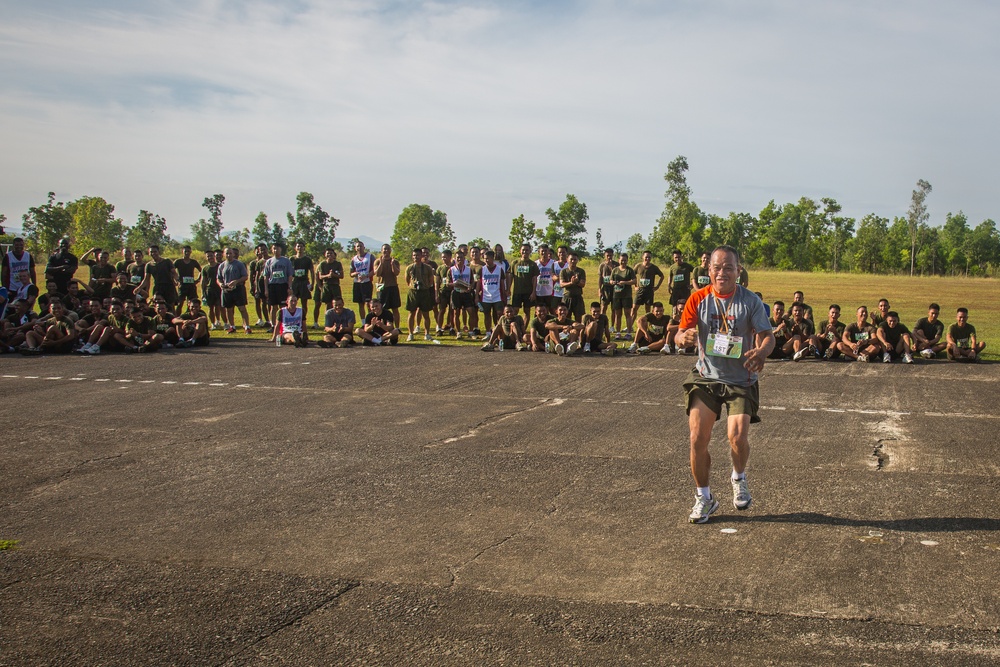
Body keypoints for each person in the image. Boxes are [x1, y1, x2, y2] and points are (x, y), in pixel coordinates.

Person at [675, 245, 774, 524]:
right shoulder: (699, 299)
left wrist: (762, 352)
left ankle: (738, 477)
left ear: (738, 271)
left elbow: (767, 335)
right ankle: (704, 498)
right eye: (717, 268)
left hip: (741, 378)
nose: (722, 273)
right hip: (706, 376)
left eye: (728, 267)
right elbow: (680, 333)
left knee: (737, 436)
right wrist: (681, 339)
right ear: (709, 271)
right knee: (697, 437)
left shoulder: (750, 301)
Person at [217, 247, 253, 334]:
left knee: (242, 308)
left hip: (238, 289)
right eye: (227, 253)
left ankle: (247, 326)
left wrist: (236, 281)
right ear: (224, 254)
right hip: (226, 290)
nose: (229, 255)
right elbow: (218, 278)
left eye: (230, 253)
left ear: (233, 254)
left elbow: (245, 276)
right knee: (229, 309)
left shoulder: (239, 264)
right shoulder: (222, 266)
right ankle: (232, 326)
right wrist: (221, 284)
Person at [404, 248, 436, 341]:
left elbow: (431, 280)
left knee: (426, 314)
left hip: (424, 291)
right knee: (411, 313)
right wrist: (412, 286)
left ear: (421, 256)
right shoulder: (409, 267)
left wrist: (425, 285)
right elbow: (407, 280)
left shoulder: (427, 267)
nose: (416, 257)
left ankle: (427, 334)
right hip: (413, 292)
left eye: (417, 255)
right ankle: (410, 334)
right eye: (414, 255)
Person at [448, 249, 478, 339]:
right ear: (454, 259)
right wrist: (454, 284)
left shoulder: (469, 270)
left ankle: (471, 331)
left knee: (471, 312)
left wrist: (470, 287)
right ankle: (459, 332)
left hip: (466, 293)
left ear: (464, 258)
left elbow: (474, 281)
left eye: (461, 257)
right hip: (456, 292)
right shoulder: (451, 270)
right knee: (456, 313)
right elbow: (446, 283)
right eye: (458, 258)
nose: (459, 259)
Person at [263, 243, 293, 328]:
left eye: (277, 248)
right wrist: (266, 289)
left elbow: (290, 275)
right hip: (273, 285)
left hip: (283, 285)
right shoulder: (269, 261)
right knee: (273, 306)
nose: (276, 250)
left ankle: (284, 325)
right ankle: (273, 325)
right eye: (274, 249)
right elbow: (266, 276)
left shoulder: (286, 261)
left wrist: (289, 287)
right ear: (272, 250)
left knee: (283, 306)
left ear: (281, 249)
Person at [478, 250, 506, 338]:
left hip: (497, 295)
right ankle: (488, 333)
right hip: (485, 296)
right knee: (487, 314)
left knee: (498, 314)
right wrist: (476, 296)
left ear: (492, 258)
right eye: (485, 258)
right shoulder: (482, 269)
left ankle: (497, 331)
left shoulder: (499, 269)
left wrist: (504, 295)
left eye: (488, 258)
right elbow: (479, 283)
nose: (486, 260)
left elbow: (502, 283)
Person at [630, 250, 664, 325]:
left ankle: (648, 325)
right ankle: (630, 326)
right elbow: (632, 275)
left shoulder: (654, 267)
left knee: (648, 310)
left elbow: (662, 276)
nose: (647, 259)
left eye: (649, 257)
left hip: (649, 291)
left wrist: (657, 286)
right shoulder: (638, 266)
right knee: (634, 308)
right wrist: (635, 286)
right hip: (640, 291)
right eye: (646, 257)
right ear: (643, 257)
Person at [373, 244, 401, 329]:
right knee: (381, 308)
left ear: (390, 250)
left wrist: (392, 264)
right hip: (381, 286)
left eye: (388, 249)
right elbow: (377, 274)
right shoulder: (377, 261)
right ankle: (382, 326)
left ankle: (397, 327)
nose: (386, 251)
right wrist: (381, 263)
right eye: (384, 249)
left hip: (393, 286)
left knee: (395, 308)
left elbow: (396, 273)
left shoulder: (395, 261)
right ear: (381, 250)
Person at [509, 243, 539, 324]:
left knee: (527, 311)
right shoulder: (514, 263)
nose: (525, 252)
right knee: (514, 311)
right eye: (523, 250)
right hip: (517, 292)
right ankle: (514, 328)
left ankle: (523, 330)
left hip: (528, 292)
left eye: (527, 250)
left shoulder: (533, 264)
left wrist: (533, 292)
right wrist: (508, 289)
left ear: (530, 251)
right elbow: (511, 276)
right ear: (520, 251)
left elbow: (534, 279)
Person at [314, 248, 343, 329]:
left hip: (335, 285)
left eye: (331, 253)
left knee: (337, 303)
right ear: (325, 255)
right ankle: (328, 322)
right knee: (328, 304)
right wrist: (328, 275)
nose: (329, 255)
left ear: (334, 255)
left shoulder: (338, 264)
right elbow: (320, 276)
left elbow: (341, 275)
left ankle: (337, 321)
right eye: (328, 253)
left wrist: (334, 275)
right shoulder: (322, 264)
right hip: (326, 285)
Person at [610, 252, 636, 339]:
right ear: (619, 260)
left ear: (627, 260)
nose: (623, 262)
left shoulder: (629, 270)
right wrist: (613, 282)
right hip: (616, 295)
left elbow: (634, 281)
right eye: (622, 260)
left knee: (627, 314)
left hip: (627, 295)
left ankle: (628, 332)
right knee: (618, 314)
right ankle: (618, 332)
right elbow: (610, 280)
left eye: (625, 260)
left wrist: (624, 282)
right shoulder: (615, 270)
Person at [290, 241, 315, 325]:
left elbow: (312, 272)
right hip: (295, 282)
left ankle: (302, 319)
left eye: (301, 246)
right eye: (298, 246)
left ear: (304, 248)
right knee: (292, 301)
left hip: (304, 282)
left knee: (304, 303)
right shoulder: (291, 259)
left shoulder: (307, 260)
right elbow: (288, 272)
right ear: (295, 248)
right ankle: (293, 319)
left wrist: (312, 283)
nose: (299, 248)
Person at [350, 240, 375, 321]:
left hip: (367, 282)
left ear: (364, 247)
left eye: (361, 246)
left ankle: (370, 320)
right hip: (357, 283)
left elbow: (375, 269)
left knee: (368, 303)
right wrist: (355, 274)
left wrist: (367, 275)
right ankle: (363, 322)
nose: (359, 248)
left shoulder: (370, 257)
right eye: (357, 246)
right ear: (355, 248)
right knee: (360, 304)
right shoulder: (354, 259)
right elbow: (351, 273)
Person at [559, 252, 587, 322]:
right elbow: (562, 284)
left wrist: (577, 282)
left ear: (577, 260)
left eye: (575, 259)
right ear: (567, 260)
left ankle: (578, 332)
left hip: (578, 297)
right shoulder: (564, 271)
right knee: (566, 318)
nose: (573, 261)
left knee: (578, 318)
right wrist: (571, 283)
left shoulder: (581, 271)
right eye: (571, 259)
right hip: (567, 297)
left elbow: (583, 284)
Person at [174, 245, 201, 313]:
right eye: (185, 251)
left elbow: (202, 271)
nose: (187, 253)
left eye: (188, 251)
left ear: (190, 252)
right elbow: (171, 271)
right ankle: (177, 317)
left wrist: (197, 280)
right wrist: (176, 281)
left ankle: (189, 317)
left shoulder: (193, 262)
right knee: (180, 303)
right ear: (182, 252)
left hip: (191, 285)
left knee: (191, 303)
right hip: (182, 285)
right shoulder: (178, 261)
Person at [248, 243, 270, 327]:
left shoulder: (271, 259)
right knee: (263, 302)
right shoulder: (257, 263)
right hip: (261, 283)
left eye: (264, 249)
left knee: (271, 303)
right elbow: (256, 275)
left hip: (270, 282)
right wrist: (255, 287)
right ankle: (266, 320)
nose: (262, 251)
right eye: (261, 250)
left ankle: (272, 319)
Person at [434, 249, 455, 335]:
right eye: (442, 257)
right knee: (442, 310)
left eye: (445, 257)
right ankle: (439, 328)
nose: (443, 259)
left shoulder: (454, 267)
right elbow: (437, 282)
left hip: (452, 291)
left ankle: (451, 327)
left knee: (452, 310)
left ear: (450, 257)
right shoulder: (440, 268)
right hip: (443, 292)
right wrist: (436, 295)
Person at [201, 249, 223, 328]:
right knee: (210, 307)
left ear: (214, 256)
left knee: (218, 306)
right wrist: (202, 292)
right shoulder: (205, 268)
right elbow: (203, 281)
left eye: (211, 256)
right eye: (208, 256)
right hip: (209, 290)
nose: (210, 257)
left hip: (219, 289)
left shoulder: (220, 266)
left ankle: (218, 321)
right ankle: (213, 323)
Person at [534, 245, 558, 312]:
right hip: (539, 292)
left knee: (552, 311)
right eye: (542, 251)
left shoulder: (554, 263)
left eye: (546, 251)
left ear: (548, 252)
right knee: (539, 312)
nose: (544, 253)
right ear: (539, 252)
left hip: (551, 292)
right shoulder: (535, 263)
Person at [597, 248, 616, 318]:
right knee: (603, 307)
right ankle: (602, 323)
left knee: (614, 309)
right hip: (605, 288)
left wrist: (611, 267)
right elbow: (600, 278)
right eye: (607, 255)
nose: (609, 257)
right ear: (604, 255)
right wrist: (599, 289)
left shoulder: (616, 265)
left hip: (614, 288)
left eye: (610, 255)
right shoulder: (602, 265)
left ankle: (612, 326)